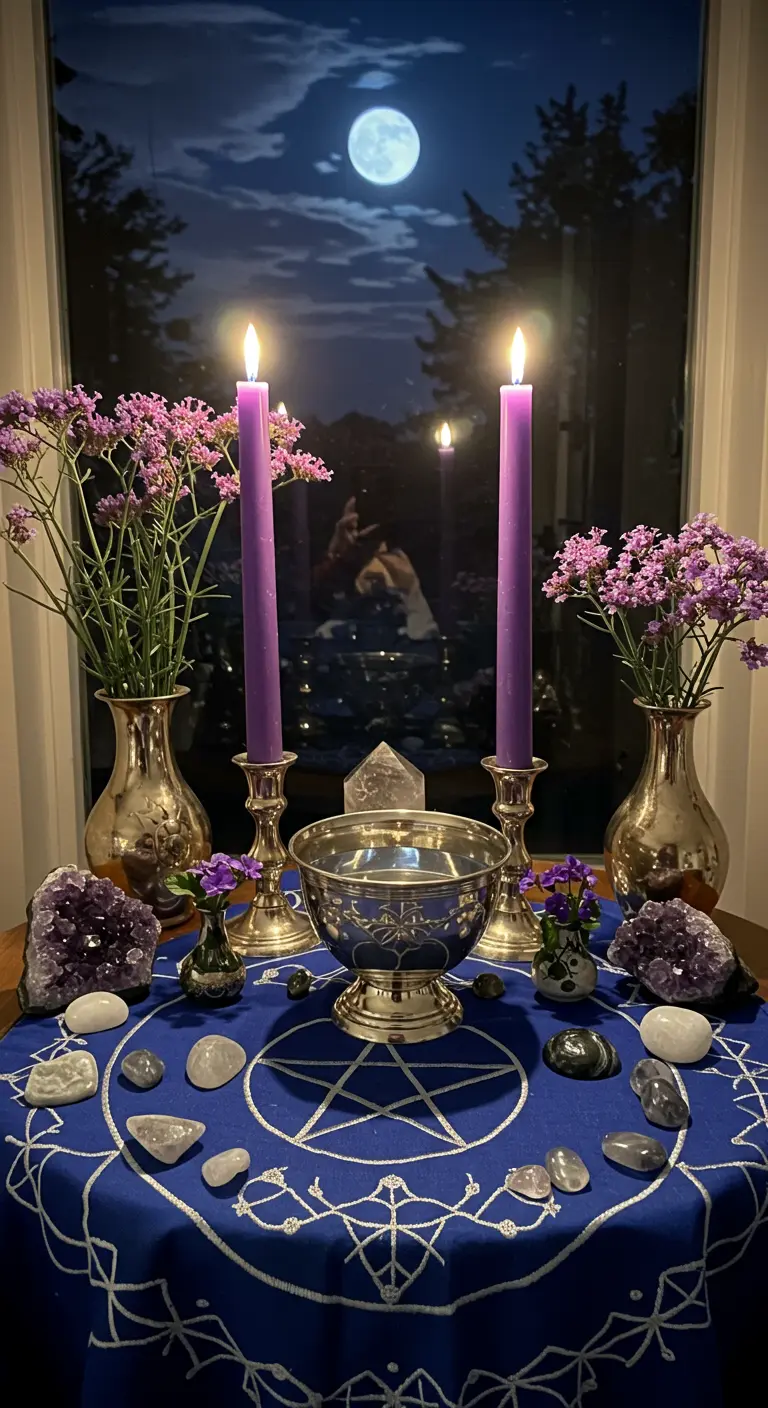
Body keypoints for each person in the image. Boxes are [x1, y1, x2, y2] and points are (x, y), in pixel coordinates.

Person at [314, 496, 438, 640]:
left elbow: (422, 627)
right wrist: (337, 554)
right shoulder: (335, 565)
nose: (357, 532)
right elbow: (320, 602)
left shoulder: (396, 564)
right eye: (350, 527)